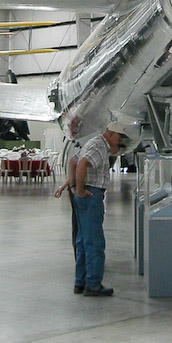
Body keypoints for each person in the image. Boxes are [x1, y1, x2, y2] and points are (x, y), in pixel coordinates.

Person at [55, 122, 126, 296]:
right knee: (95, 242)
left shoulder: (92, 142)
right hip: (91, 196)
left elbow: (73, 161)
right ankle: (93, 284)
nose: (119, 142)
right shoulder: (100, 146)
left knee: (82, 240)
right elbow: (81, 164)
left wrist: (72, 186)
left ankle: (80, 281)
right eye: (119, 137)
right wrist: (78, 190)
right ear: (110, 134)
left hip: (85, 196)